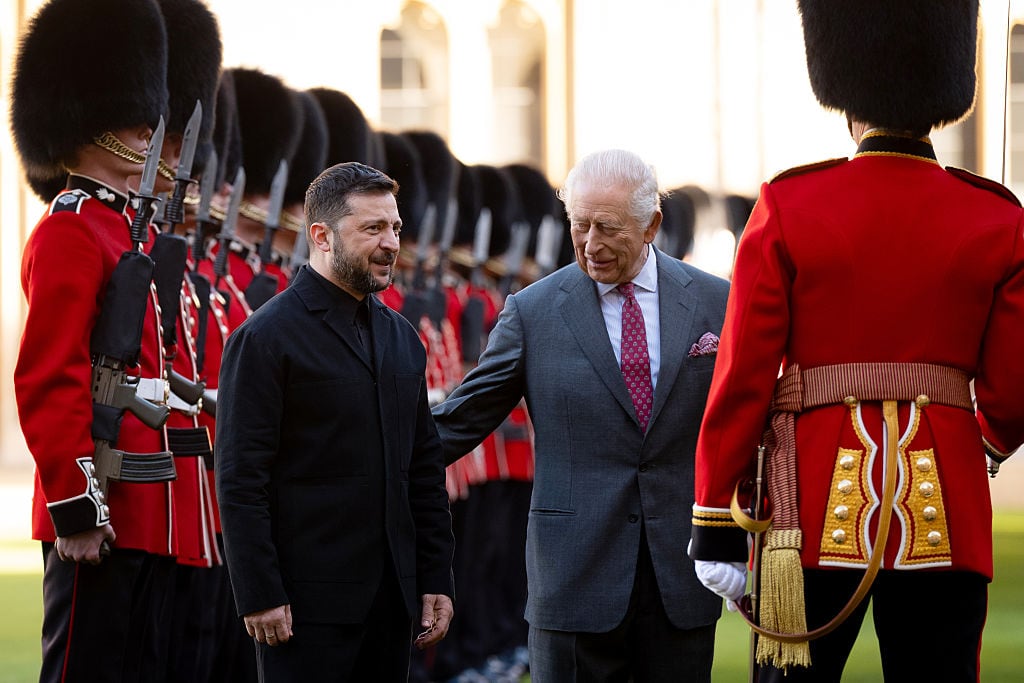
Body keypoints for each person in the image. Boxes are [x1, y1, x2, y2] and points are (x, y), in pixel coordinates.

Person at [688, 2, 1024, 682]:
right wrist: (982, 439)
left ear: (845, 101)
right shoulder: (996, 215)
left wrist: (715, 512)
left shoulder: (790, 203)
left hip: (810, 505)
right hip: (947, 501)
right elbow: (1015, 386)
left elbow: (744, 374)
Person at [432, 148, 730, 683]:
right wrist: (360, 458)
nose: (591, 245)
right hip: (572, 583)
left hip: (679, 578)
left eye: (608, 228)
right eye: (579, 225)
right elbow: (460, 420)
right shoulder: (532, 311)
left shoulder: (716, 302)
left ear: (651, 225)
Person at [215, 161, 455, 681]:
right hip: (302, 609)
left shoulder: (402, 338)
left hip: (391, 607)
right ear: (321, 236)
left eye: (395, 228)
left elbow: (423, 471)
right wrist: (259, 592)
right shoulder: (264, 339)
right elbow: (240, 479)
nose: (391, 243)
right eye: (373, 228)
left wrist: (436, 576)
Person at [10, 1, 178, 681]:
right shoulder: (71, 230)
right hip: (100, 504)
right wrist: (77, 504)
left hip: (148, 505)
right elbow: (49, 375)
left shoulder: (130, 233)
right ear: (89, 121)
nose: (149, 130)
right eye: (135, 118)